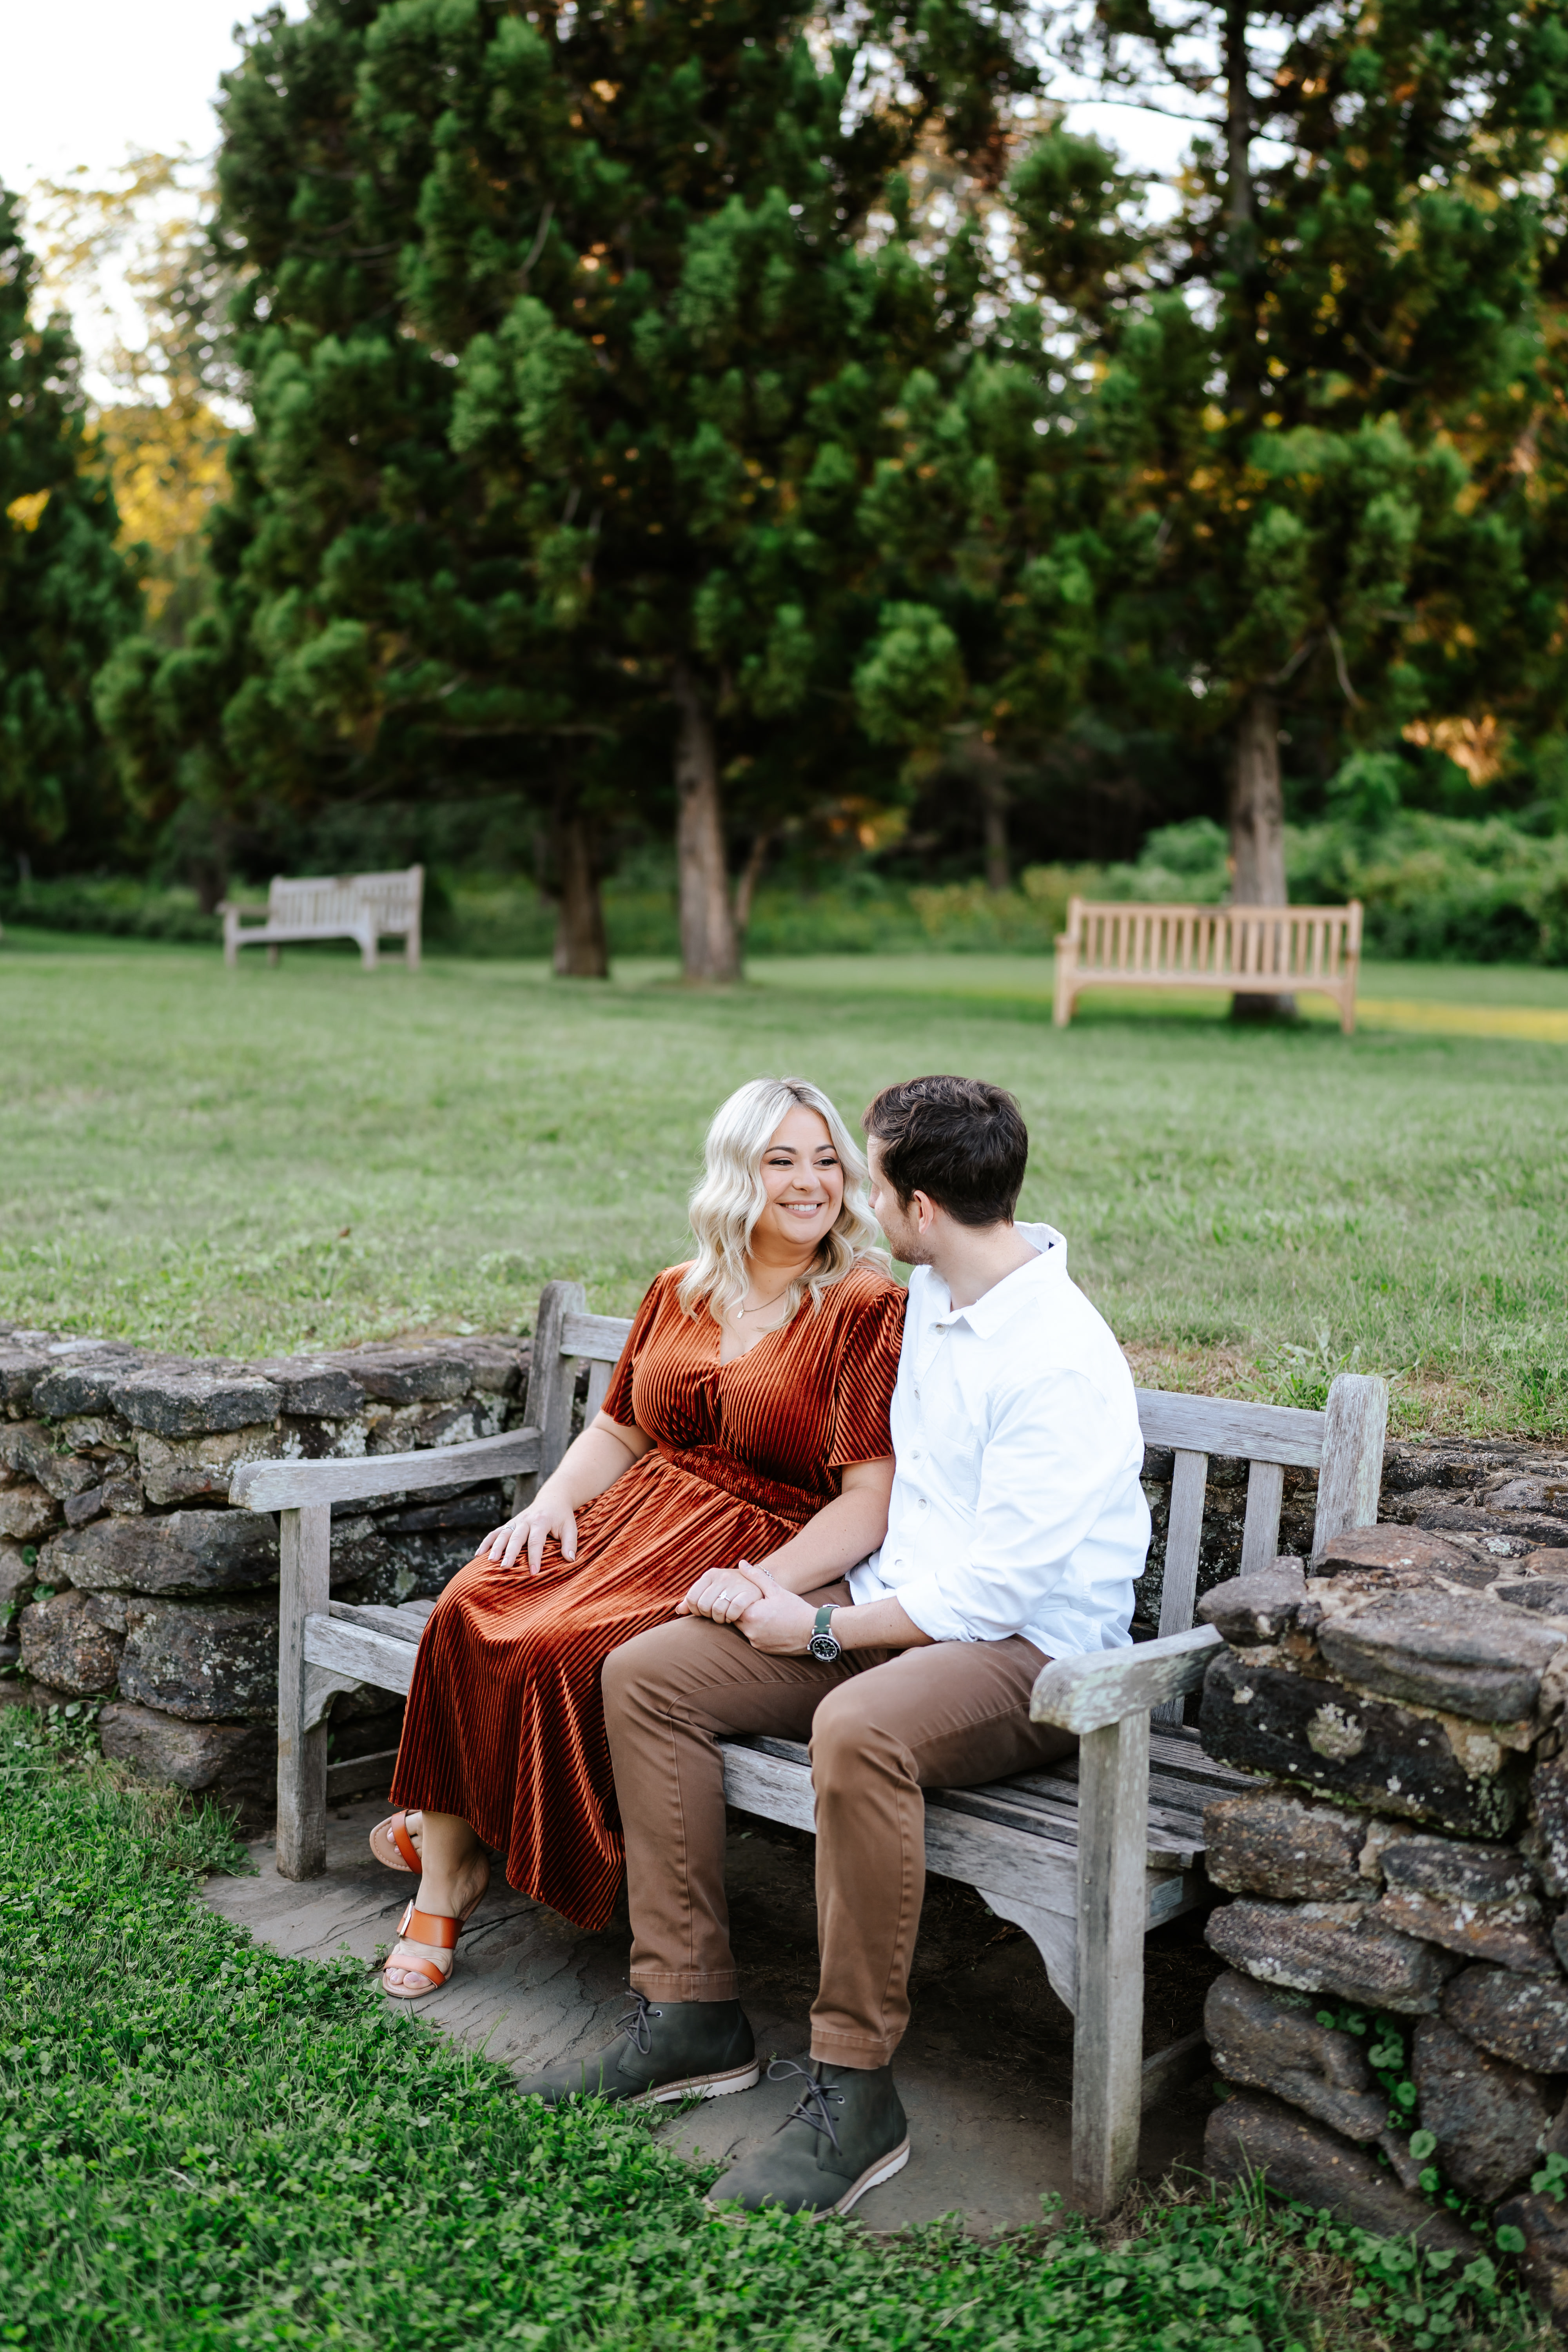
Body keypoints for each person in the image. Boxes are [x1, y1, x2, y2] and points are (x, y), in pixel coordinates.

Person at [516, 1074, 1151, 2218]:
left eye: (861, 1169)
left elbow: (992, 1592)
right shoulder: (935, 1293)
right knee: (647, 1671)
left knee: (857, 1728)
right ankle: (690, 2012)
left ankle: (856, 2091)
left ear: (913, 1202)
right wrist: (768, 1579)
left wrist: (814, 1626)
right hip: (892, 1609)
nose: (844, 1187)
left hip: (1028, 1657)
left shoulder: (1056, 1353)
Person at [371, 1076, 906, 2002]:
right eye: (781, 1160)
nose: (811, 1182)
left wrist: (758, 1581)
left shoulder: (863, 1308)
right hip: (631, 1517)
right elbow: (619, 1430)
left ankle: (446, 1849)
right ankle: (447, 1863)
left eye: (827, 1161)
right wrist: (552, 1503)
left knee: (557, 1647)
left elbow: (867, 1502)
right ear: (738, 1174)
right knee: (469, 1604)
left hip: (747, 1544)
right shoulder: (680, 1289)